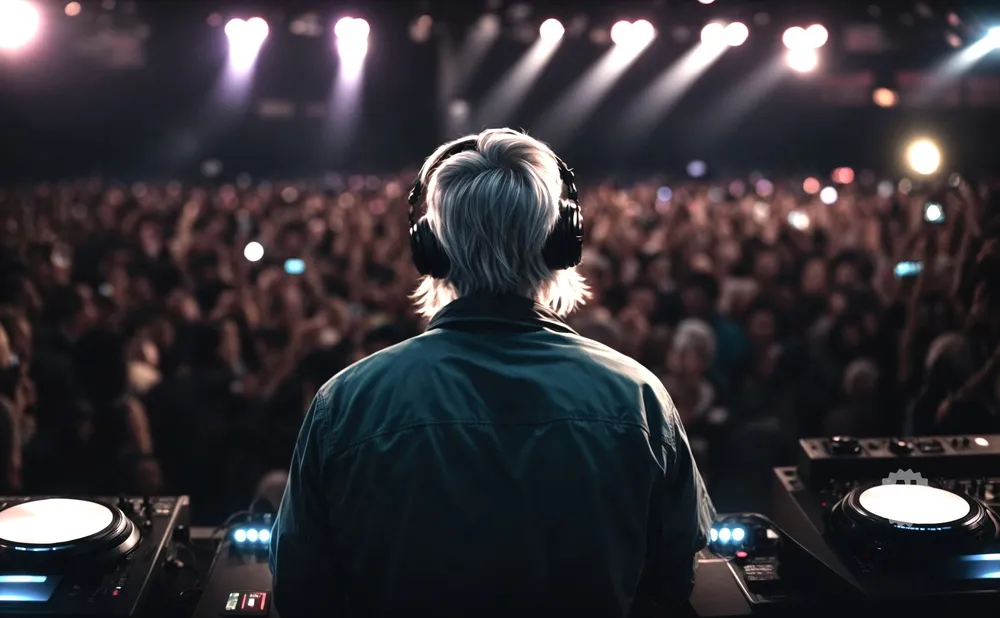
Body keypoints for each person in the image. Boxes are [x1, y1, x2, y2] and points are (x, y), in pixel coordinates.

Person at [269, 129, 715, 617]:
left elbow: (301, 588)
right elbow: (673, 581)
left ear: (430, 249)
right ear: (562, 241)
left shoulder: (346, 404)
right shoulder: (638, 398)